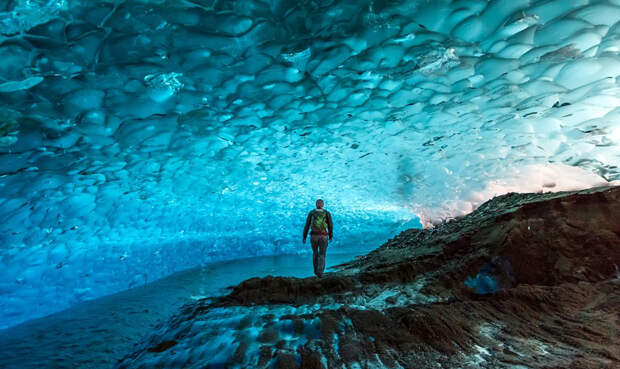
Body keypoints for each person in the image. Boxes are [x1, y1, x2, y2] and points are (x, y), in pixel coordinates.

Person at [302, 199, 333, 277]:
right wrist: (330, 235)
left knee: (315, 252)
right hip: (323, 236)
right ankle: (320, 272)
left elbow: (307, 225)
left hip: (314, 236)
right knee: (322, 254)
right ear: (323, 205)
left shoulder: (312, 213)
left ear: (316, 204)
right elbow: (330, 225)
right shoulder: (326, 213)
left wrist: (304, 236)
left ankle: (316, 271)